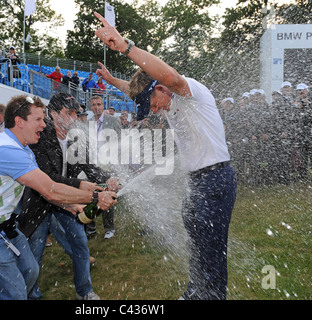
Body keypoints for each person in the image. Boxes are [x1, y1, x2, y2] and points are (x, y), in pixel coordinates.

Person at [93, 11, 237, 300]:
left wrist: (125, 47)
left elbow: (166, 75)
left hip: (216, 179)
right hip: (198, 181)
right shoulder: (163, 99)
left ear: (161, 88)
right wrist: (110, 80)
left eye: (154, 103)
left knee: (210, 247)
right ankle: (195, 290)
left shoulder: (187, 91)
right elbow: (135, 89)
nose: (154, 110)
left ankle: (211, 296)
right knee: (195, 243)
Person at [0, 94, 117, 300]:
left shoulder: (23, 149)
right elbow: (50, 188)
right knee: (14, 292)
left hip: (1, 225)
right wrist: (94, 197)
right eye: (39, 120)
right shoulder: (7, 151)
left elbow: (45, 190)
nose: (43, 124)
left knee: (30, 270)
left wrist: (70, 206)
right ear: (19, 122)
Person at [18, 92, 120, 300]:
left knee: (80, 244)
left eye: (76, 113)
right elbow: (48, 178)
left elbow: (89, 167)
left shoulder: (76, 138)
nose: (74, 118)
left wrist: (108, 178)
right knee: (34, 255)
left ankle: (85, 292)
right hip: (39, 202)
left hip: (68, 201)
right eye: (69, 113)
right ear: (53, 114)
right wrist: (84, 190)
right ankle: (32, 296)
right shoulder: (39, 138)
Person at [85, 94, 121, 239]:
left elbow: (119, 143)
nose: (96, 107)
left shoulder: (113, 121)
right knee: (90, 194)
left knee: (107, 193)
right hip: (92, 165)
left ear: (103, 105)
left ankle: (109, 228)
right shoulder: (87, 123)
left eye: (99, 104)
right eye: (94, 105)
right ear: (90, 107)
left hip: (109, 164)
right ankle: (90, 226)